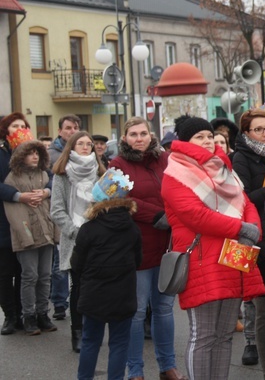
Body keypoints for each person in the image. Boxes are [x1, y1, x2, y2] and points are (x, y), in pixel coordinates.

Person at [161, 115, 264, 380]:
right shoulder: (175, 173)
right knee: (204, 335)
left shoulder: (222, 167)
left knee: (224, 334)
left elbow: (246, 203)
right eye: (199, 137)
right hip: (201, 259)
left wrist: (253, 228)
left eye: (209, 136)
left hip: (233, 255)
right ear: (184, 141)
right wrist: (241, 229)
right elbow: (194, 215)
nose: (207, 141)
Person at [108, 117, 185, 380]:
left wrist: (174, 214)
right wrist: (155, 214)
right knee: (137, 312)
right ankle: (136, 372)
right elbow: (118, 198)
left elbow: (179, 188)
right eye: (133, 134)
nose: (139, 138)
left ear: (151, 136)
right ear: (125, 138)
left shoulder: (165, 160)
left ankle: (168, 367)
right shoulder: (117, 164)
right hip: (136, 246)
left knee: (164, 309)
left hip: (167, 245)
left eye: (143, 133)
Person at [72, 169, 142, 380]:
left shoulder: (89, 229)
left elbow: (77, 263)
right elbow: (137, 260)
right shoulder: (132, 228)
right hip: (123, 295)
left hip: (94, 295)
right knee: (120, 343)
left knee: (90, 341)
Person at [232, 108, 265, 374]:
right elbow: (243, 198)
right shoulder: (241, 157)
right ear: (247, 133)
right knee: (264, 311)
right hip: (259, 240)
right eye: (258, 129)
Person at [50, 131, 106, 352]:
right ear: (71, 147)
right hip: (75, 239)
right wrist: (75, 232)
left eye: (89, 144)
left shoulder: (100, 172)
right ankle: (78, 332)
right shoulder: (62, 174)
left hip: (99, 238)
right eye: (80, 144)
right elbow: (56, 210)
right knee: (80, 287)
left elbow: (106, 204)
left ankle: (94, 329)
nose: (85, 147)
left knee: (98, 286)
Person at [3, 139, 57, 336]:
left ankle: (43, 313)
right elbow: (13, 212)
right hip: (26, 236)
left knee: (45, 276)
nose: (35, 156)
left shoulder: (44, 174)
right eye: (30, 153)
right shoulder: (13, 178)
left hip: (46, 232)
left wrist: (46, 193)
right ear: (20, 156)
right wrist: (25, 236)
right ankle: (29, 316)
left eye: (37, 153)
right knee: (29, 276)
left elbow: (53, 202)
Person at [0, 113, 44, 336]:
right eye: (14, 126)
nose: (19, 129)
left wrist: (44, 191)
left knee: (27, 271)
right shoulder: (1, 154)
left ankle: (30, 313)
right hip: (5, 221)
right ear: (6, 131)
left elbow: (47, 175)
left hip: (32, 219)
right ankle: (10, 315)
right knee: (7, 272)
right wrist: (19, 196)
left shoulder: (32, 153)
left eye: (23, 126)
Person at [47, 115, 81, 321]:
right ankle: (60, 302)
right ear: (60, 131)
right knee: (61, 263)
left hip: (84, 222)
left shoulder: (87, 155)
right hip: (63, 218)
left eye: (76, 127)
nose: (72, 131)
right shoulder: (51, 155)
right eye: (68, 128)